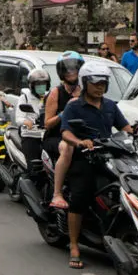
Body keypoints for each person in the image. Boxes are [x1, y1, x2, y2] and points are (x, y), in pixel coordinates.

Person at [60, 61, 133, 269]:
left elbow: (124, 127)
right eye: (96, 83)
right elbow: (65, 132)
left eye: (103, 83)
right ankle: (74, 245)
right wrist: (79, 142)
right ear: (85, 83)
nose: (100, 86)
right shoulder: (74, 106)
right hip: (85, 159)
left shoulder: (110, 105)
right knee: (80, 196)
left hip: (110, 157)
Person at [46, 52, 84, 210]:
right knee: (67, 148)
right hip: (57, 136)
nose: (71, 72)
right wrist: (64, 112)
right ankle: (57, 194)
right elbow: (47, 123)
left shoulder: (85, 91)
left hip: (80, 136)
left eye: (75, 69)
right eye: (68, 70)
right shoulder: (56, 93)